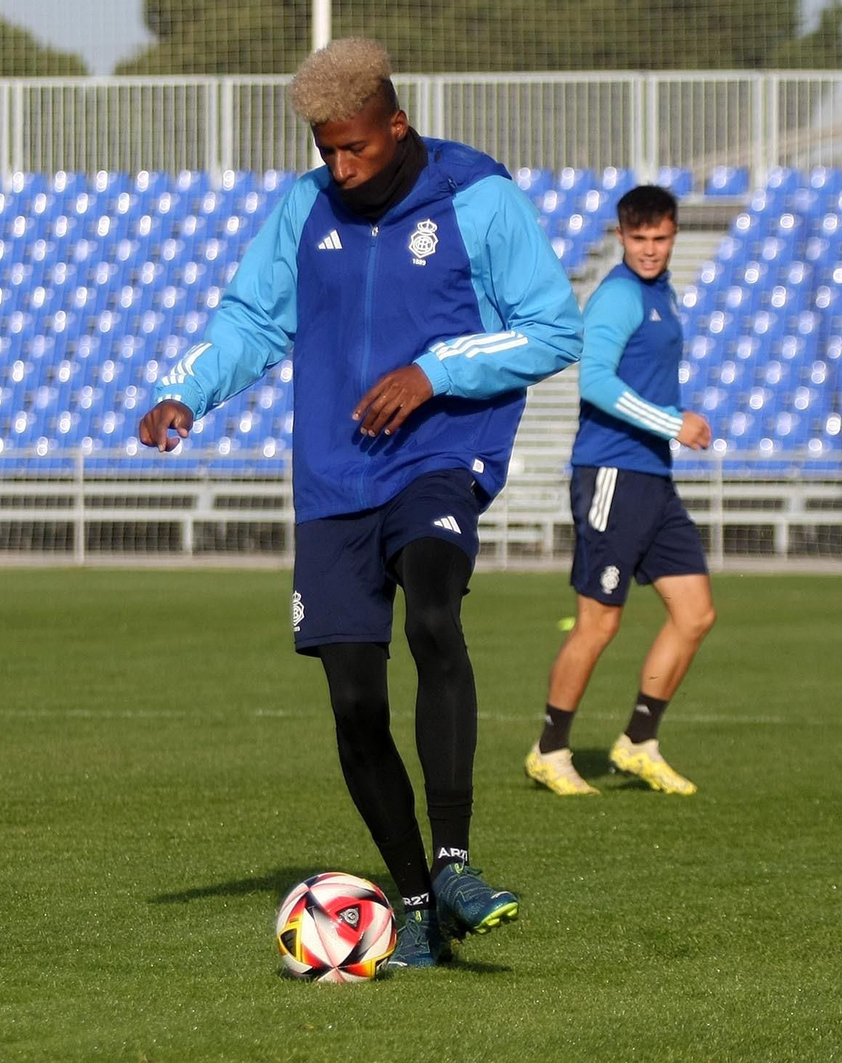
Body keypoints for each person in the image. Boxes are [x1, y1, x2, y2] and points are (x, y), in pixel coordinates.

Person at [138, 38, 583, 968]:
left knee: (432, 614)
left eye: (356, 149)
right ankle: (415, 900)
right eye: (324, 151)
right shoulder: (304, 209)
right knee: (352, 702)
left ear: (397, 124)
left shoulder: (478, 198)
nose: (339, 168)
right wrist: (189, 389)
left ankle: (456, 862)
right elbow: (254, 320)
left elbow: (552, 329)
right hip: (334, 479)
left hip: (439, 458)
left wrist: (432, 371)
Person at [523, 185, 714, 798]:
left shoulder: (663, 294)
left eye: (660, 238)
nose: (651, 249)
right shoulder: (618, 296)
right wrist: (672, 422)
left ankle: (637, 742)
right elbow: (595, 383)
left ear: (673, 235)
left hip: (653, 477)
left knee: (695, 613)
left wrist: (670, 430)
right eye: (639, 239)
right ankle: (550, 750)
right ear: (623, 236)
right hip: (611, 472)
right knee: (598, 624)